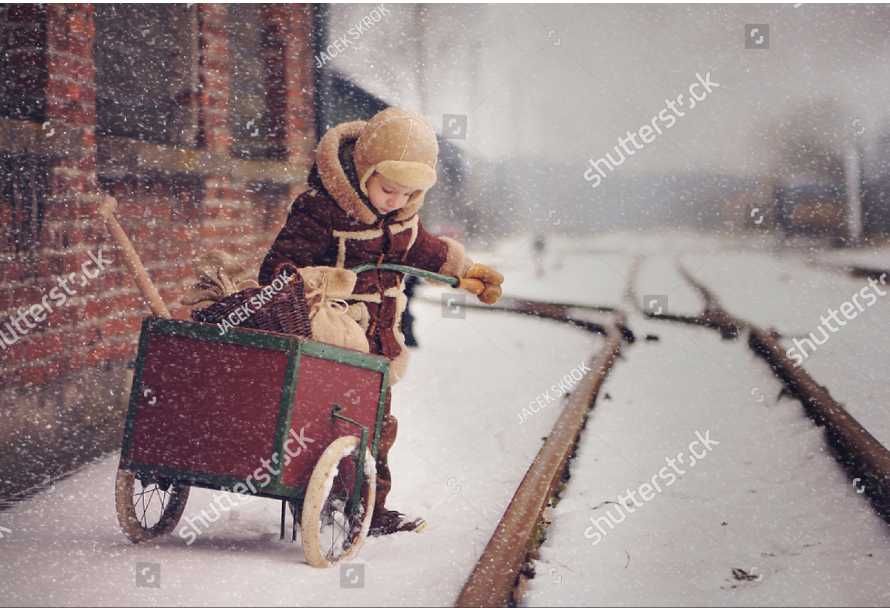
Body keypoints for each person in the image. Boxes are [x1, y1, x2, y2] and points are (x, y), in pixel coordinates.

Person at [259, 107, 504, 535]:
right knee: (322, 420)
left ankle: (367, 507)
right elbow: (279, 266)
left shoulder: (402, 220)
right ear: (364, 169)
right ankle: (313, 497)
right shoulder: (321, 211)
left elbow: (426, 251)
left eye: (410, 195)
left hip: (379, 345)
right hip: (329, 338)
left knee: (376, 427)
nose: (398, 202)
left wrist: (466, 272)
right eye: (389, 189)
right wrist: (315, 281)